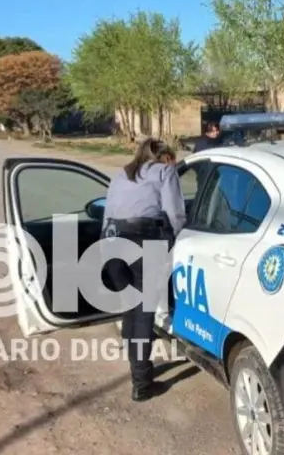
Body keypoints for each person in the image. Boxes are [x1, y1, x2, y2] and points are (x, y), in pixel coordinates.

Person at [102, 138, 186, 402]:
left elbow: (107, 214)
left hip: (112, 240)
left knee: (132, 308)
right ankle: (141, 383)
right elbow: (175, 213)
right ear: (164, 157)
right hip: (145, 240)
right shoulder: (165, 171)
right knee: (143, 313)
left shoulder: (121, 173)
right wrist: (179, 236)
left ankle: (137, 367)